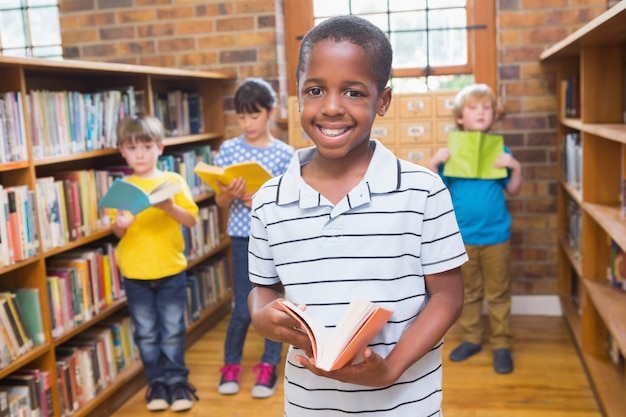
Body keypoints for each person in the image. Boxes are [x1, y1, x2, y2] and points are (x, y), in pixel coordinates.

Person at [247, 15, 468, 417]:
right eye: (315, 90)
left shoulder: (423, 191)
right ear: (297, 94)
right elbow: (264, 287)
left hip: (405, 404)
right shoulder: (268, 202)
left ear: (382, 101)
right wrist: (262, 318)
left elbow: (448, 297)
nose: (331, 107)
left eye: (353, 92)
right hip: (310, 404)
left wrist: (391, 369)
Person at [428, 84, 523, 374]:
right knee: (468, 293)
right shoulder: (450, 152)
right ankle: (471, 338)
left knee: (498, 293)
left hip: (496, 236)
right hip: (463, 237)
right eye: (473, 108)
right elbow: (435, 193)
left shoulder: (501, 150)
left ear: (493, 115)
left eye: (486, 108)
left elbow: (515, 190)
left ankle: (502, 344)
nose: (481, 112)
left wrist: (515, 166)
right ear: (460, 118)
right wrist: (434, 164)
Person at [111, 113, 199, 412]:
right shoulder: (122, 188)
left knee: (173, 328)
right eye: (132, 147)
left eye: (146, 147)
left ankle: (177, 382)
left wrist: (170, 207)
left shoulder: (171, 181)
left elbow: (191, 219)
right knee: (146, 332)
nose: (139, 154)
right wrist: (121, 223)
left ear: (159, 148)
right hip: (135, 273)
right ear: (122, 151)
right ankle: (157, 383)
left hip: (170, 269)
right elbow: (117, 231)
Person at [214, 77, 295, 398]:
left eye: (255, 116)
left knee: (274, 304)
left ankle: (268, 366)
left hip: (274, 241)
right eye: (242, 117)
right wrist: (229, 195)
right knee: (240, 306)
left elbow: (290, 207)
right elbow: (219, 201)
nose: (248, 124)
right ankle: (230, 364)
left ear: (271, 112)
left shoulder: (286, 154)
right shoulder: (229, 150)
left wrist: (265, 197)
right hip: (240, 238)